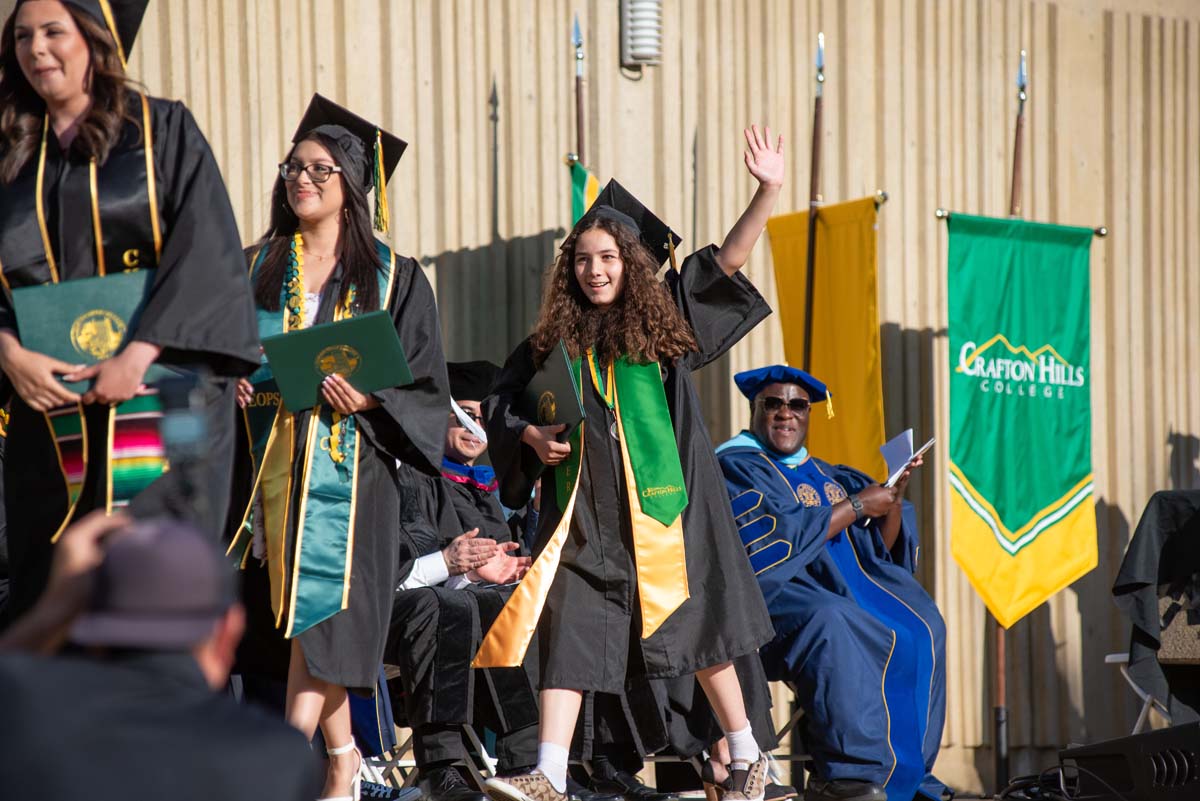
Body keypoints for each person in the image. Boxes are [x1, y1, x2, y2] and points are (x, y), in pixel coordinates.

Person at [479, 125, 785, 801]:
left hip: (665, 513)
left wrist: (767, 190)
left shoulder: (664, 323)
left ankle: (749, 752)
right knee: (569, 630)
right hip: (585, 517)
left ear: (630, 264)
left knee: (694, 624)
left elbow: (726, 262)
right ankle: (550, 774)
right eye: (583, 259)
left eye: (608, 258)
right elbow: (504, 407)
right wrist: (529, 436)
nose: (594, 270)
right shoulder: (551, 343)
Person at [0, 0, 259, 622]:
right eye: (22, 36)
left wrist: (139, 353)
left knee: (157, 583)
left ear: (95, 39)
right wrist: (8, 354)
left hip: (161, 399)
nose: (37, 49)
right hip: (50, 410)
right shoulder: (10, 150)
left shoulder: (161, 131)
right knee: (56, 587)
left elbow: (206, 250)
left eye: (54, 32)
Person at [227, 94, 450, 801]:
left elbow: (426, 381)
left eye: (320, 170)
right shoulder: (254, 265)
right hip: (266, 471)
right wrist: (227, 381)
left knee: (318, 617)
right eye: (295, 166)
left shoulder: (395, 276)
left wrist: (375, 398)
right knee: (302, 622)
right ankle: (344, 757)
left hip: (352, 480)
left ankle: (284, 762)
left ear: (352, 188)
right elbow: (218, 351)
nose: (302, 179)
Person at [715, 366, 947, 801]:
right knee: (834, 620)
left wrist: (892, 497)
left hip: (841, 595)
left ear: (809, 413)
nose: (786, 414)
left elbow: (878, 550)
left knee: (923, 624)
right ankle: (846, 775)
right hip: (772, 611)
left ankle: (909, 773)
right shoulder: (736, 468)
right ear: (755, 409)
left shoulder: (828, 475)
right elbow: (771, 547)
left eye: (797, 405)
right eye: (774, 404)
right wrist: (857, 505)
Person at [0, 511, 322, 801]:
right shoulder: (278, 760)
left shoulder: (24, 714)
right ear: (229, 634)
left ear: (95, 628)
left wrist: (54, 609)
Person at [386, 360, 536, 801]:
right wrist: (454, 566)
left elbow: (456, 557)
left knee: (505, 605)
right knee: (446, 605)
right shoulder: (383, 472)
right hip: (374, 609)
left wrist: (479, 569)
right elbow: (388, 564)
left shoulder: (447, 480)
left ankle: (525, 762)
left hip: (434, 605)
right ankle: (443, 765)